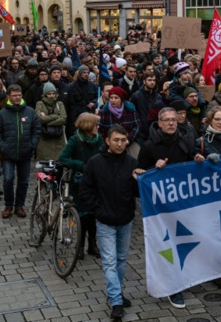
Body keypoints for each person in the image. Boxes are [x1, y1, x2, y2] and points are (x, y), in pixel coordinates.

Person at [79, 125, 144, 320]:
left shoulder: (131, 162)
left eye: (123, 140)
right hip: (105, 221)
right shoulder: (95, 163)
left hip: (125, 220)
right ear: (107, 140)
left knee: (121, 259)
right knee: (109, 261)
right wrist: (98, 210)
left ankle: (116, 292)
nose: (120, 144)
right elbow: (85, 192)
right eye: (116, 140)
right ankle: (115, 300)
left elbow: (137, 194)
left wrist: (138, 180)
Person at [137, 107, 199, 309]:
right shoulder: (148, 147)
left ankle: (187, 277)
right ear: (160, 123)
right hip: (161, 210)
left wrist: (198, 159)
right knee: (168, 247)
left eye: (174, 119)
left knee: (187, 242)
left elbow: (191, 162)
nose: (172, 123)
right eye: (168, 120)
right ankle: (173, 288)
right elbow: (140, 177)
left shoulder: (185, 140)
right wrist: (152, 170)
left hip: (183, 203)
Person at [58, 113, 103, 260]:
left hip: (96, 182)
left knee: (93, 214)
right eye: (96, 124)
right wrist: (82, 165)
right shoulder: (75, 140)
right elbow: (63, 159)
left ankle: (92, 245)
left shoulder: (99, 139)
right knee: (83, 216)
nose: (98, 127)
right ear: (88, 126)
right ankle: (80, 246)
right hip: (80, 183)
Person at [0, 84, 42, 219]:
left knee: (24, 181)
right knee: (8, 179)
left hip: (25, 153)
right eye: (14, 95)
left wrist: (32, 145)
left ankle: (19, 206)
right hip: (8, 153)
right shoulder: (2, 114)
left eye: (19, 95)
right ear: (8, 96)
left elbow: (37, 129)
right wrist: (2, 147)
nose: (17, 98)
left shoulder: (30, 112)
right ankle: (8, 205)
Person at [98, 86, 140, 151]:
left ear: (121, 99)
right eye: (111, 98)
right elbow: (99, 130)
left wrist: (128, 139)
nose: (113, 100)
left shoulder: (130, 110)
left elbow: (137, 126)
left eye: (116, 98)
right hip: (109, 146)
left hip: (128, 143)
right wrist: (107, 142)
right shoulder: (104, 112)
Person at [35, 82, 67, 161]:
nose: (52, 96)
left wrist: (47, 122)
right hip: (45, 138)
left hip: (58, 138)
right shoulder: (40, 104)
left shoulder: (59, 104)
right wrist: (56, 116)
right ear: (45, 94)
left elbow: (63, 119)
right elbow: (40, 119)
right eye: (49, 94)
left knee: (58, 163)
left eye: (53, 93)